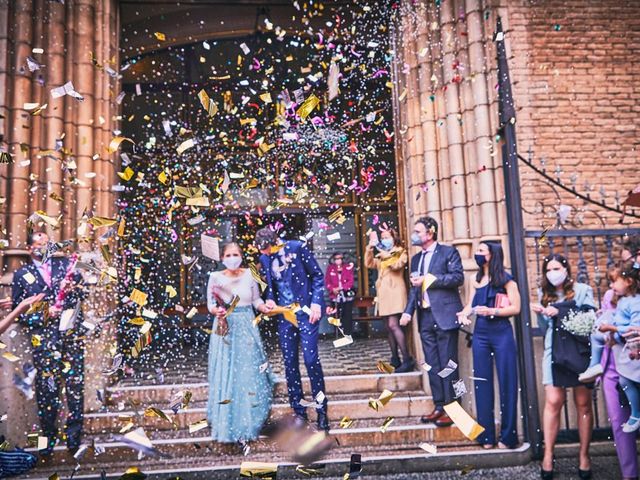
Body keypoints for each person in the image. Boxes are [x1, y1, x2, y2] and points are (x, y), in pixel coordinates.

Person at [11, 231, 86, 456]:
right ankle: (47, 443)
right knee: (47, 391)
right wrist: (46, 313)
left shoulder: (65, 265)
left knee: (75, 387)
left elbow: (83, 295)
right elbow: (19, 313)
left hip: (70, 337)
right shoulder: (21, 274)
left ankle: (74, 439)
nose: (44, 248)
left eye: (47, 244)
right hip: (44, 342)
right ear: (29, 249)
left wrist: (74, 289)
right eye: (39, 244)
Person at [255, 227, 329, 432]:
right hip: (284, 317)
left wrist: (316, 303)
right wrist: (269, 298)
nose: (265, 254)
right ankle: (299, 412)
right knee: (290, 364)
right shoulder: (264, 259)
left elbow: (317, 277)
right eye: (263, 251)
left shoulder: (297, 247)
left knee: (311, 360)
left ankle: (322, 411)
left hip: (305, 313)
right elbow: (270, 287)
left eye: (268, 249)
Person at [532, 254, 596, 480]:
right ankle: (548, 454)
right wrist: (541, 313)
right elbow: (543, 328)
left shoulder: (582, 289)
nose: (552, 273)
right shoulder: (544, 293)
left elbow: (591, 319)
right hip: (553, 350)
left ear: (566, 269)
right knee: (553, 401)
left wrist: (562, 311)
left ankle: (584, 455)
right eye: (548, 269)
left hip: (578, 351)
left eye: (556, 268)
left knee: (583, 404)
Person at [206, 242, 275, 444]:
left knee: (249, 370)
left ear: (241, 255)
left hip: (247, 323)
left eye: (236, 254)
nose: (232, 257)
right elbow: (210, 303)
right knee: (228, 371)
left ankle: (250, 420)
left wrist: (265, 307)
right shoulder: (215, 277)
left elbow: (256, 300)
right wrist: (216, 311)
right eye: (228, 254)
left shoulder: (250, 274)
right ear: (222, 258)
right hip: (225, 325)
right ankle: (227, 423)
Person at [400, 216, 463, 428]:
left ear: (430, 232)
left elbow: (457, 278)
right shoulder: (416, 260)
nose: (414, 235)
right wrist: (408, 312)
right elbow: (413, 289)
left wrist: (430, 280)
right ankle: (439, 406)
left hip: (445, 316)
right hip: (425, 317)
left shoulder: (448, 252)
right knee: (433, 365)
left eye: (418, 231)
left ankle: (455, 407)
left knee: (451, 364)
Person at [457, 241, 521, 449]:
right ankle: (486, 436)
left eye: (481, 251)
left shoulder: (506, 279)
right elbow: (470, 304)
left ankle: (508, 436)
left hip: (501, 332)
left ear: (492, 255)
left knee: (507, 382)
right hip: (481, 334)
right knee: (481, 383)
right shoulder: (476, 279)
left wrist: (492, 311)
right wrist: (464, 314)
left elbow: (516, 308)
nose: (477, 254)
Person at [596, 265, 640, 433]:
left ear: (628, 282)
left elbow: (634, 328)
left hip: (633, 349)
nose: (612, 286)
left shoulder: (635, 302)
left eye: (615, 282)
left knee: (628, 381)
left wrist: (611, 328)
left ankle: (636, 413)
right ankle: (636, 413)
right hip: (626, 349)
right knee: (625, 381)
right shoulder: (623, 301)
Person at [364, 228, 414, 372]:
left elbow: (397, 265)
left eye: (387, 236)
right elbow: (369, 264)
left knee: (393, 325)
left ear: (394, 237)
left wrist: (386, 255)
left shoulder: (400, 251)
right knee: (388, 327)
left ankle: (407, 358)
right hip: (383, 293)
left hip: (395, 292)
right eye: (382, 237)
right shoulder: (381, 253)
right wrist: (370, 248)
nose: (385, 239)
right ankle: (395, 359)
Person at [325, 252, 355, 336]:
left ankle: (348, 334)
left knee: (347, 315)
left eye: (340, 258)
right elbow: (327, 281)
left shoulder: (347, 268)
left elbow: (351, 281)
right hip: (335, 296)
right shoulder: (330, 268)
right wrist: (332, 289)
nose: (338, 260)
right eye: (336, 259)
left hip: (346, 296)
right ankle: (338, 334)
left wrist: (342, 288)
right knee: (336, 315)